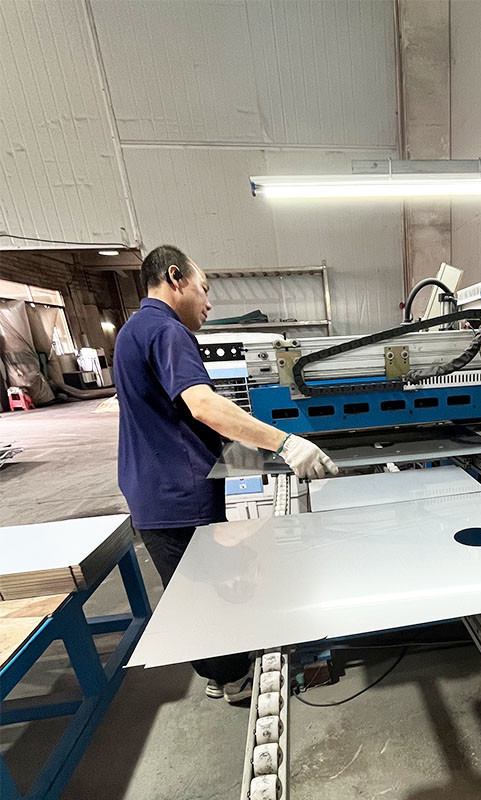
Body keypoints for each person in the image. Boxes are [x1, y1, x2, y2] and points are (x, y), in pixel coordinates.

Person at [114, 244, 337, 703]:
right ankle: (233, 679)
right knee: (210, 590)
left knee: (191, 587)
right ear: (174, 278)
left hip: (152, 489)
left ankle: (220, 673)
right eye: (204, 289)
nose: (209, 303)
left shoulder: (131, 331)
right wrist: (285, 442)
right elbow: (203, 405)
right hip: (178, 493)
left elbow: (169, 416)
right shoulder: (168, 331)